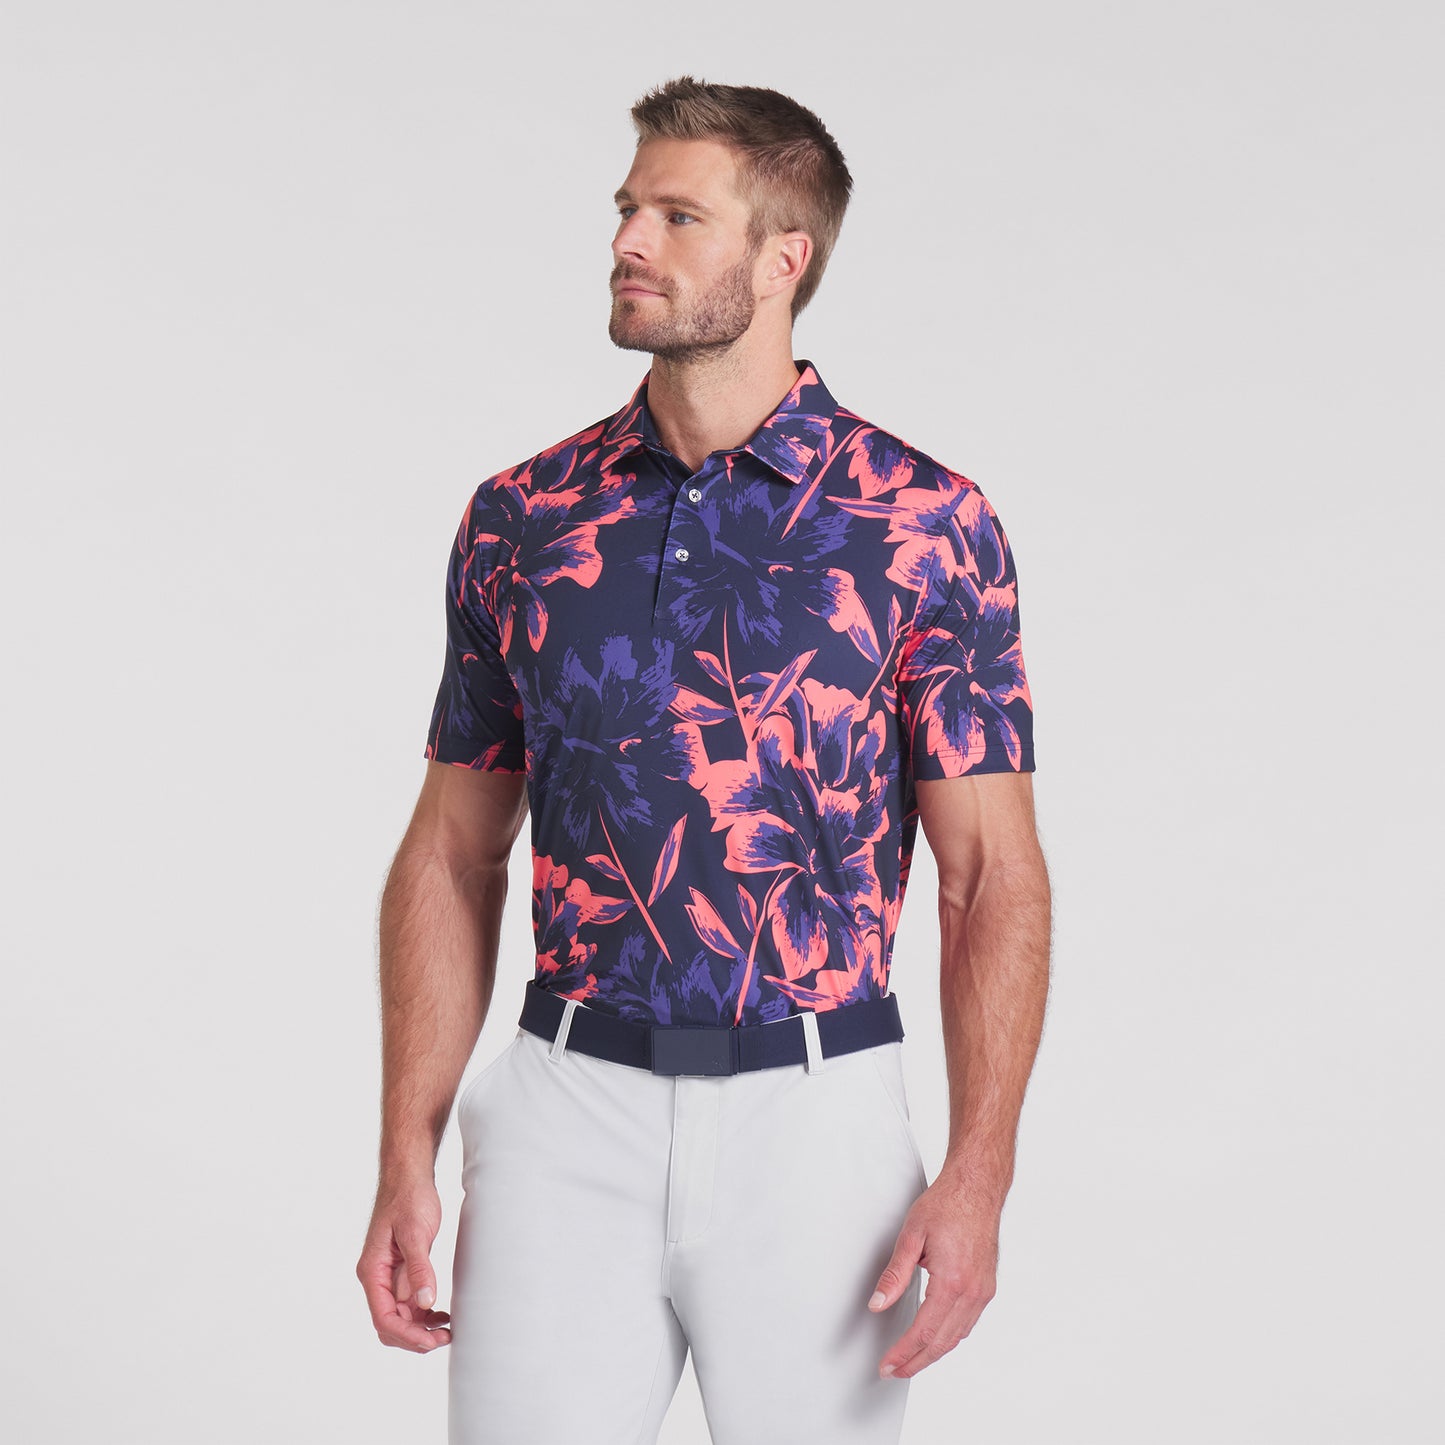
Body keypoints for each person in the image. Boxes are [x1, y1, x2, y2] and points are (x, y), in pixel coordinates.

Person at [356, 75, 1052, 1445]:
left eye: (678, 216)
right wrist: (403, 1149)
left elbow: (990, 877)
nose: (629, 240)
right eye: (628, 209)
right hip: (564, 1109)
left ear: (784, 257)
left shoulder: (922, 525)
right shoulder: (524, 517)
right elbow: (450, 850)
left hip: (817, 1122)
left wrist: (979, 1175)